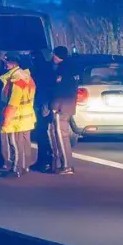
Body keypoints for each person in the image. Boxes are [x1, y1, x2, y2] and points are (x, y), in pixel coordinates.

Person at [0, 53, 38, 177]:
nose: (5, 64)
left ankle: (16, 169)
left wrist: (7, 118)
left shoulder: (16, 79)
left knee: (14, 143)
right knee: (25, 142)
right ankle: (25, 166)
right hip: (27, 115)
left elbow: (13, 101)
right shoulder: (27, 76)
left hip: (16, 116)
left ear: (13, 63)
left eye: (7, 62)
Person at [46, 46, 76, 175]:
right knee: (60, 134)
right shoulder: (71, 68)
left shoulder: (62, 70)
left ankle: (66, 165)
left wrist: (54, 105)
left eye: (55, 55)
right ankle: (65, 163)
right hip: (68, 106)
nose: (53, 57)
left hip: (61, 107)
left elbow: (60, 90)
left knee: (61, 135)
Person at [30, 48, 57, 171]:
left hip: (42, 103)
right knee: (43, 133)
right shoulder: (48, 68)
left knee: (43, 133)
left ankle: (46, 161)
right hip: (43, 102)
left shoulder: (38, 69)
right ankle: (45, 160)